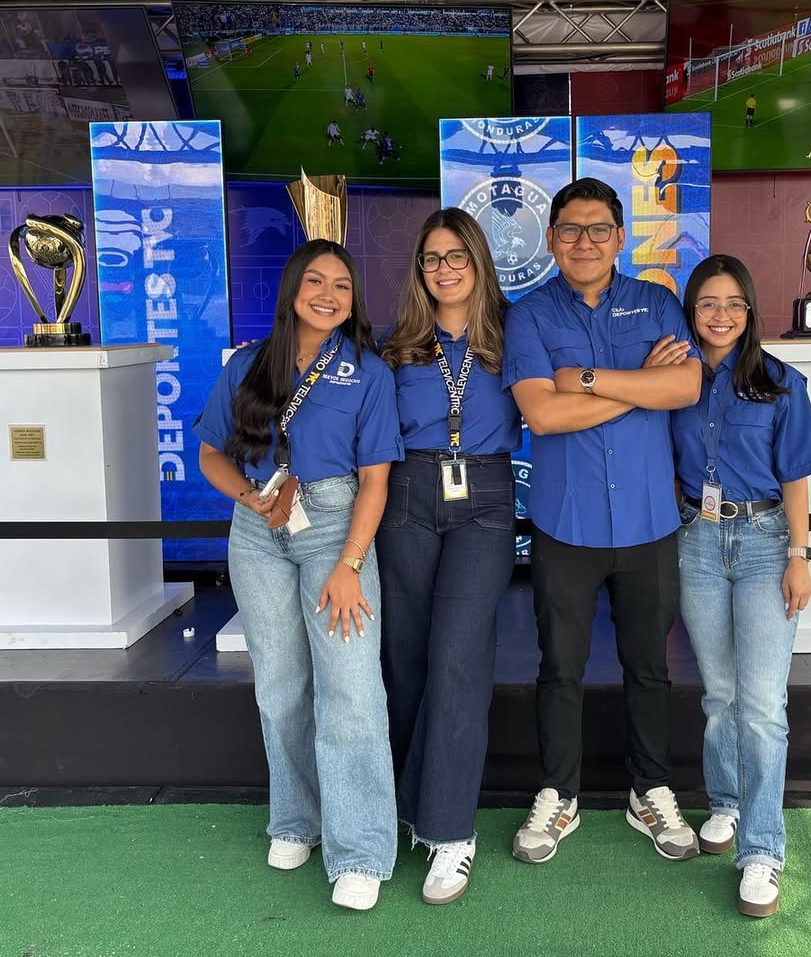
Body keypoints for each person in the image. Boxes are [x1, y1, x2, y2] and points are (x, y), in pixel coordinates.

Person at [193, 239, 403, 912]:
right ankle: (296, 820)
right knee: (280, 686)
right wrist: (249, 499)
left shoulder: (368, 372)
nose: (329, 295)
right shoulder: (248, 364)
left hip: (337, 528)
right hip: (258, 530)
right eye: (315, 281)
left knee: (350, 688)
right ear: (292, 290)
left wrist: (350, 564)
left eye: (342, 285)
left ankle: (361, 849)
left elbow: (376, 481)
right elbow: (210, 453)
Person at [503, 178, 703, 866]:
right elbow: (542, 414)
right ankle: (559, 795)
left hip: (649, 521)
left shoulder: (658, 302)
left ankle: (651, 792)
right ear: (551, 239)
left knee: (649, 667)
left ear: (620, 238)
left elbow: (684, 385)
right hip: (566, 523)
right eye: (570, 230)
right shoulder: (529, 316)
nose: (583, 242)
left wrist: (585, 378)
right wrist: (638, 385)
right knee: (560, 668)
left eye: (597, 230)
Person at [671, 254, 811, 919]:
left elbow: (795, 475)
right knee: (721, 694)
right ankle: (727, 802)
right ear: (691, 310)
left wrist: (799, 555)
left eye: (734, 303)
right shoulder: (674, 379)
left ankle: (762, 849)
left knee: (763, 705)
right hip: (697, 541)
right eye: (708, 303)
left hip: (766, 544)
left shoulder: (780, 382)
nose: (721, 315)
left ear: (750, 310)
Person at [378, 207, 521, 905]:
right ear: (420, 269)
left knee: (458, 657)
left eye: (456, 255)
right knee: (405, 658)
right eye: (432, 258)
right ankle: (408, 808)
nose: (444, 268)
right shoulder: (397, 345)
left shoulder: (516, 335)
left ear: (479, 261)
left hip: (486, 498)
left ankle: (450, 830)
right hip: (407, 494)